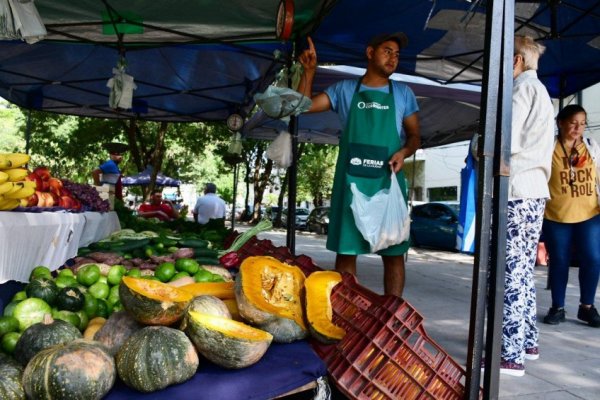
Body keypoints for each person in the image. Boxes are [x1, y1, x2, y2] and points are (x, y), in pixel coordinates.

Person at [298, 33, 420, 297]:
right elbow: (303, 106)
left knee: (394, 252)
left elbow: (414, 136)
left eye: (397, 54)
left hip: (387, 181)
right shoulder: (344, 90)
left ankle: (392, 313)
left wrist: (404, 151)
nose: (393, 58)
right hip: (352, 182)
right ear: (369, 52)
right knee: (347, 251)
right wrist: (309, 72)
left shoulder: (402, 93)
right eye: (387, 51)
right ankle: (347, 312)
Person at [498, 35, 555, 377]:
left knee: (510, 275)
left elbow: (506, 141)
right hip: (533, 193)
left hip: (517, 191)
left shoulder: (521, 91)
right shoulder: (541, 92)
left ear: (516, 61)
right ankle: (526, 342)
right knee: (522, 273)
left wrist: (479, 143)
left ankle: (509, 354)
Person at [542, 104, 600, 328]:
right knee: (559, 262)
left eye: (582, 123)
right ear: (560, 123)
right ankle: (558, 307)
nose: (578, 128)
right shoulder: (549, 148)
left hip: (590, 213)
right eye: (573, 123)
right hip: (557, 216)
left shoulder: (591, 147)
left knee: (593, 259)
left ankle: (587, 307)